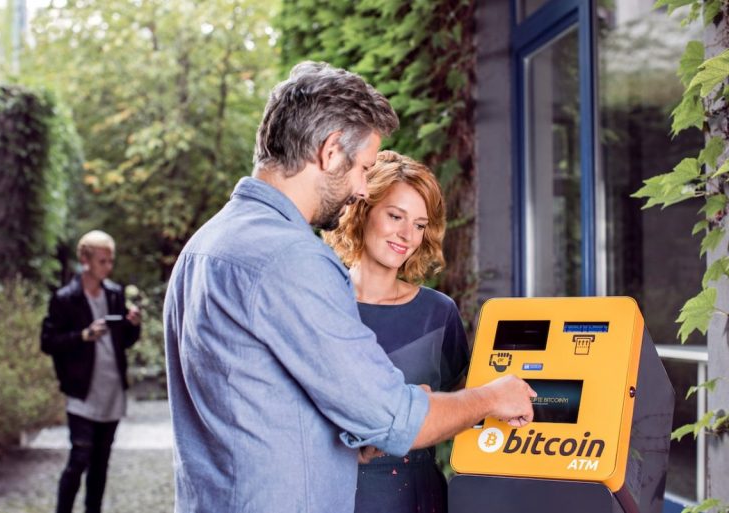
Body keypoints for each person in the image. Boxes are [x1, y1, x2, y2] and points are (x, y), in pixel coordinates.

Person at [163, 61, 536, 513]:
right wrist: (492, 397)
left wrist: (350, 445)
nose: (361, 188)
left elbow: (250, 407)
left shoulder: (203, 247)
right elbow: (394, 419)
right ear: (330, 151)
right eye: (363, 168)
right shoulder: (293, 258)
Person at [323, 150, 467, 513]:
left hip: (419, 496)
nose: (407, 235)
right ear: (362, 209)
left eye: (419, 225)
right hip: (334, 494)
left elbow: (464, 408)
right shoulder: (321, 305)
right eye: (395, 216)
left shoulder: (439, 313)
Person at [41, 230, 142, 513]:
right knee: (79, 459)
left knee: (100, 463)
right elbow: (48, 342)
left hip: (112, 390)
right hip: (82, 392)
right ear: (85, 260)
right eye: (102, 261)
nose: (108, 267)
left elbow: (124, 341)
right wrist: (83, 335)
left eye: (111, 261)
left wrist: (133, 325)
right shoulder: (65, 298)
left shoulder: (115, 294)